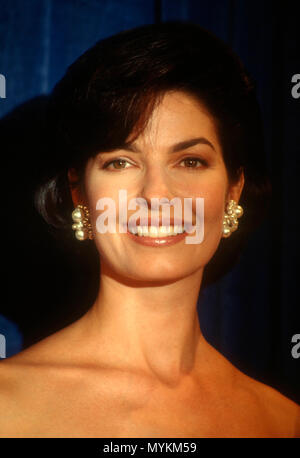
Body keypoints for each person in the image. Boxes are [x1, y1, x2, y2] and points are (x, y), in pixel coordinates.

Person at [0, 21, 299, 438]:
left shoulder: (282, 421)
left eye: (190, 161)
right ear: (79, 192)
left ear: (234, 190)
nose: (156, 196)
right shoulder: (7, 405)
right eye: (120, 162)